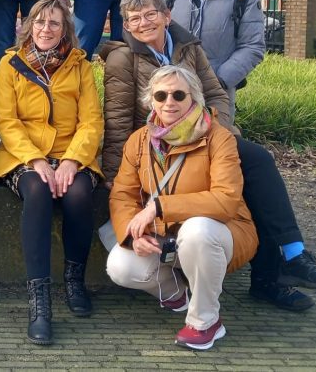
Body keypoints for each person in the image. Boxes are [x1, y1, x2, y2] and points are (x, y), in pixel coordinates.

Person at [100, 0, 316, 313]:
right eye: (135, 19)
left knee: (256, 164)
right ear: (126, 26)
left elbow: (215, 94)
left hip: (203, 133)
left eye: (150, 14)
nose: (144, 22)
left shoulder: (188, 47)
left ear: (166, 16)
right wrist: (117, 173)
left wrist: (219, 135)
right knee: (237, 185)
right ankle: (272, 272)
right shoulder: (122, 59)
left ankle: (289, 255)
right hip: (157, 146)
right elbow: (117, 119)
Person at [106, 65, 257, 351]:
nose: (169, 102)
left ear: (195, 98)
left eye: (178, 94)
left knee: (197, 230)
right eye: (160, 95)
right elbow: (122, 194)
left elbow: (226, 199)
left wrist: (159, 207)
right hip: (167, 237)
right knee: (120, 266)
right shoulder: (139, 140)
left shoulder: (218, 137)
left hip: (223, 231)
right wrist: (133, 234)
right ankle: (176, 292)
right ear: (151, 101)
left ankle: (205, 321)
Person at [0, 0, 103, 345]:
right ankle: (39, 298)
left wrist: (71, 160)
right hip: (24, 156)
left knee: (80, 192)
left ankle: (74, 278)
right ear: (27, 26)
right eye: (39, 22)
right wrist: (36, 159)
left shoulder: (80, 65)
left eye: (54, 23)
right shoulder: (11, 64)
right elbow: (6, 121)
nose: (46, 29)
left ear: (65, 28)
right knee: (36, 189)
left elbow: (92, 121)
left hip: (71, 153)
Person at [162, 0, 265, 117]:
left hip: (218, 90)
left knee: (216, 142)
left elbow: (252, 46)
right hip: (174, 89)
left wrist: (219, 80)